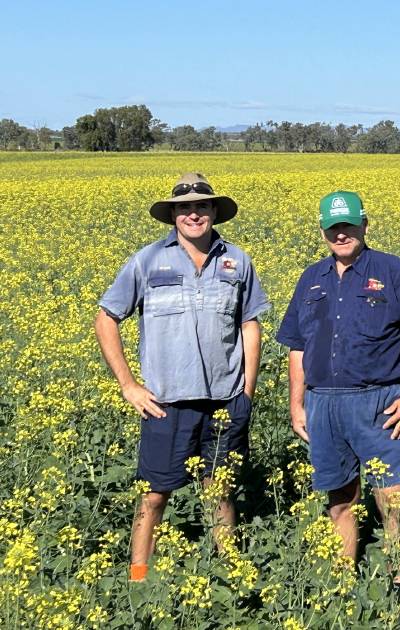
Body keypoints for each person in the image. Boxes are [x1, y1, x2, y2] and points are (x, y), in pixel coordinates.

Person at [95, 173, 269, 582]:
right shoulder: (147, 260)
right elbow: (106, 319)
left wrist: (247, 389)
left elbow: (250, 323)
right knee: (154, 494)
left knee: (220, 489)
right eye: (184, 208)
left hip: (225, 399)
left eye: (202, 206)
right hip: (166, 402)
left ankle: (230, 574)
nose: (194, 214)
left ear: (213, 212)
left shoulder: (236, 260)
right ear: (173, 215)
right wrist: (129, 386)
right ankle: (138, 579)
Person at [276, 190, 400, 586]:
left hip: (380, 402)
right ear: (323, 231)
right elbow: (297, 346)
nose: (341, 234)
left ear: (365, 224)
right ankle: (342, 583)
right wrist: (297, 405)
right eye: (333, 227)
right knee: (339, 500)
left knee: (391, 499)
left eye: (348, 225)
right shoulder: (311, 278)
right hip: (323, 404)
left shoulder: (393, 271)